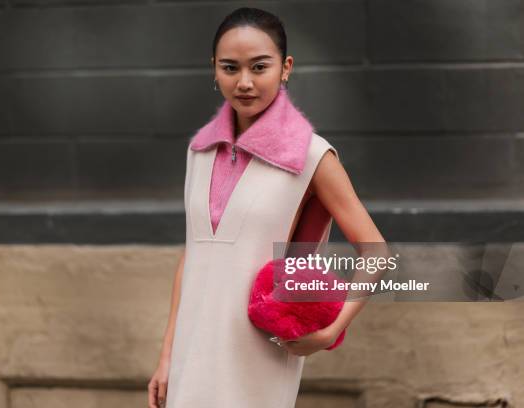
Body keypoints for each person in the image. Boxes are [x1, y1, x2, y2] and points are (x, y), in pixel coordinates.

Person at [148, 7, 386, 408]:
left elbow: (376, 252)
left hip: (258, 353)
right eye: (230, 68)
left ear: (285, 67)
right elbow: (193, 255)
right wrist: (168, 355)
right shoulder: (199, 150)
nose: (244, 82)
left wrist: (331, 332)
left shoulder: (311, 155)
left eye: (259, 67)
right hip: (192, 350)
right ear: (214, 69)